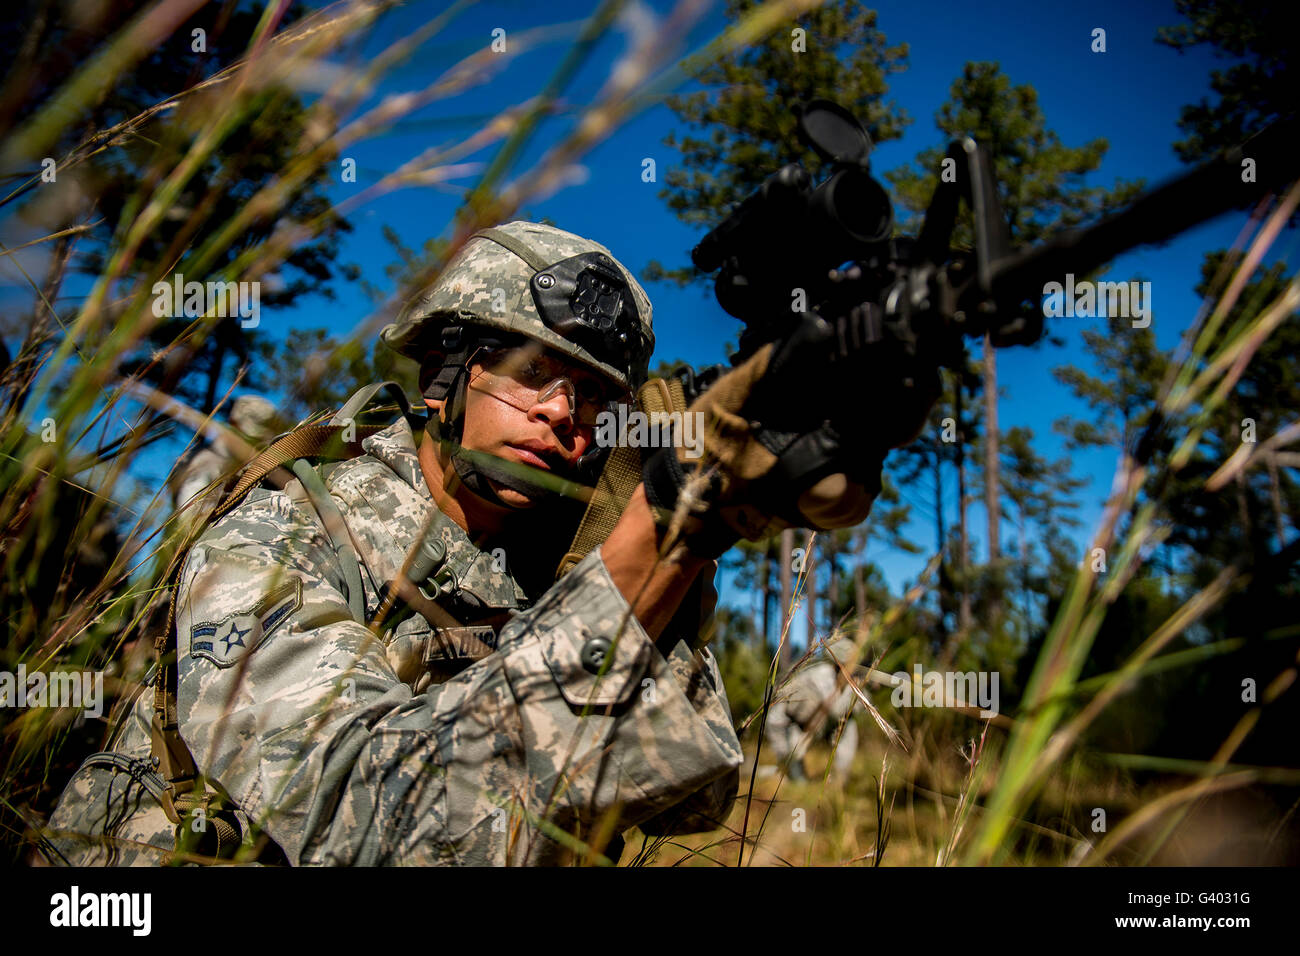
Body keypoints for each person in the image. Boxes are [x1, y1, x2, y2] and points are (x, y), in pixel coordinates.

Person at [763, 638, 861, 782]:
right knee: (793, 775)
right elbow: (834, 709)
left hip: (808, 722)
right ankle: (783, 778)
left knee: (848, 726)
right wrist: (854, 690)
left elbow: (850, 708)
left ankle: (839, 780)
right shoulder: (823, 674)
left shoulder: (839, 676)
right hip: (785, 723)